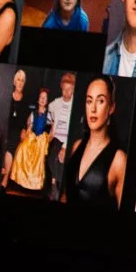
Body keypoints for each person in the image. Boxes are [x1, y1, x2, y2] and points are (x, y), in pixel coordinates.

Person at [66, 74, 127, 207]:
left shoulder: (119, 160)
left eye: (100, 101)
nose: (93, 109)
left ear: (111, 107)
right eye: (89, 101)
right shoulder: (76, 146)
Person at [3, 66, 52, 195]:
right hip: (12, 130)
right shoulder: (32, 111)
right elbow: (29, 122)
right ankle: (15, 177)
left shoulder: (45, 112)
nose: (20, 83)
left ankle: (28, 182)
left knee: (28, 150)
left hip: (36, 137)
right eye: (18, 80)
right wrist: (28, 129)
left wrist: (46, 136)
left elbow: (49, 126)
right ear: (14, 81)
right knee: (23, 149)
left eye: (22, 80)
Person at [46, 70, 76, 200]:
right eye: (64, 89)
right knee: (53, 156)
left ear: (74, 89)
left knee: (61, 157)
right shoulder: (55, 103)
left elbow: (75, 129)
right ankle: (55, 185)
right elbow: (49, 118)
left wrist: (65, 147)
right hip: (57, 137)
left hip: (69, 139)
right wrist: (51, 127)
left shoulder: (76, 105)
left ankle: (56, 186)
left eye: (69, 90)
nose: (66, 93)